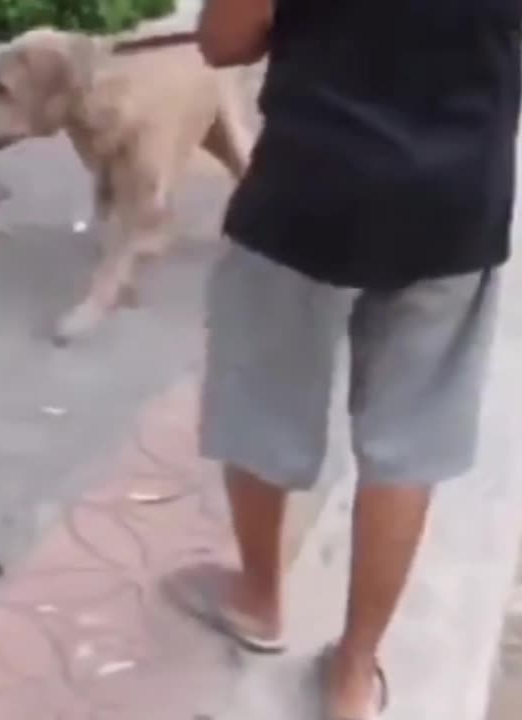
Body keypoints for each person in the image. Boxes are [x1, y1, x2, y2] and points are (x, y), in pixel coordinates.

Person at [190, 0, 520, 718]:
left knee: (261, 395)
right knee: (409, 443)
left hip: (306, 189)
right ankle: (353, 676)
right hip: (455, 204)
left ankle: (258, 600)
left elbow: (223, 42)